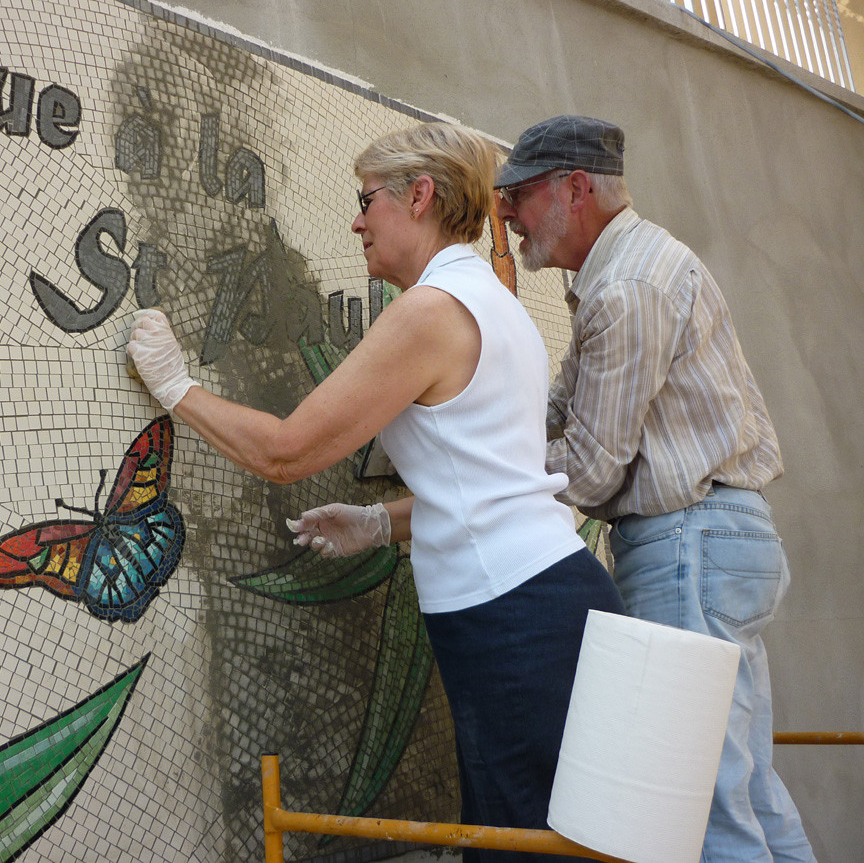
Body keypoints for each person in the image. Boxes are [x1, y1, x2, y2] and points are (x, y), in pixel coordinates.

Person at [128, 121, 624, 859]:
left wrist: (177, 389)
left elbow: (287, 451)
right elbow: (484, 484)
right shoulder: (494, 303)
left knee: (525, 845)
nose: (358, 222)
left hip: (514, 614)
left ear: (419, 196)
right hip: (545, 596)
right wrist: (380, 522)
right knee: (552, 837)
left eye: (367, 201)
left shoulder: (431, 310)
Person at [494, 114, 815, 862]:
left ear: (576, 188)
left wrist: (483, 471)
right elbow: (561, 407)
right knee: (747, 790)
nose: (505, 213)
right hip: (715, 542)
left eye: (519, 192)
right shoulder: (625, 270)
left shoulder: (627, 288)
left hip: (686, 545)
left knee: (703, 804)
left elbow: (591, 466)